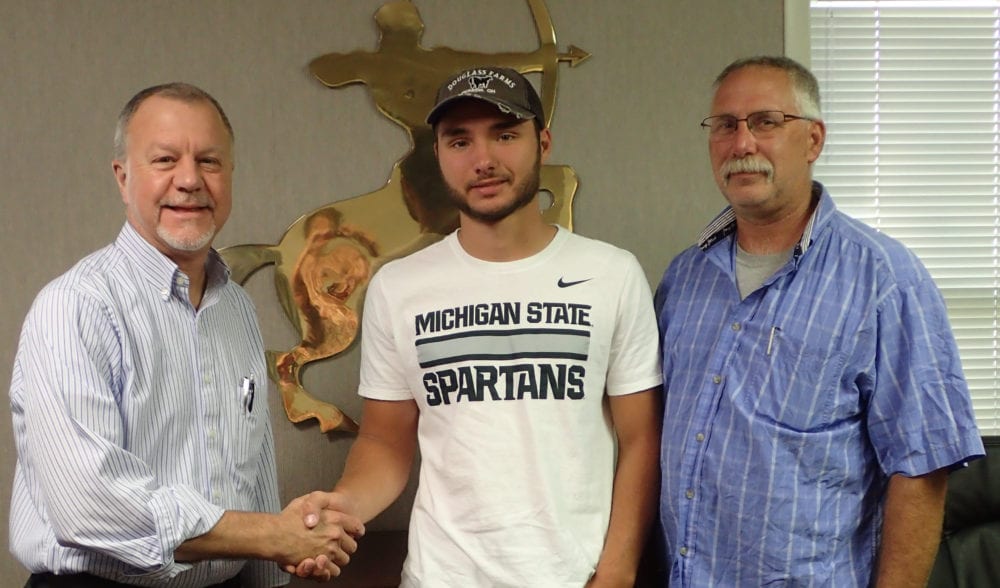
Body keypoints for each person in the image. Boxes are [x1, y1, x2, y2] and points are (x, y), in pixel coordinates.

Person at [296, 66, 663, 587]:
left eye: (505, 134)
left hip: (571, 575)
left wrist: (619, 570)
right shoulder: (400, 287)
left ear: (543, 141)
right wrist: (343, 507)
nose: (483, 159)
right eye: (459, 140)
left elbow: (641, 437)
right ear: (439, 154)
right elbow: (385, 440)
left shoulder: (611, 274)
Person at [8, 82, 363, 587]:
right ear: (122, 177)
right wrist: (270, 535)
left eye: (210, 162)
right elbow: (88, 503)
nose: (191, 180)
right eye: (165, 160)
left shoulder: (235, 306)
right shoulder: (77, 306)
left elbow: (254, 476)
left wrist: (278, 556)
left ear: (231, 176)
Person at [654, 55, 985, 587]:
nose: (742, 144)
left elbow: (922, 466)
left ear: (812, 140)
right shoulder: (684, 278)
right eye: (724, 125)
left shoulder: (884, 279)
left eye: (765, 122)